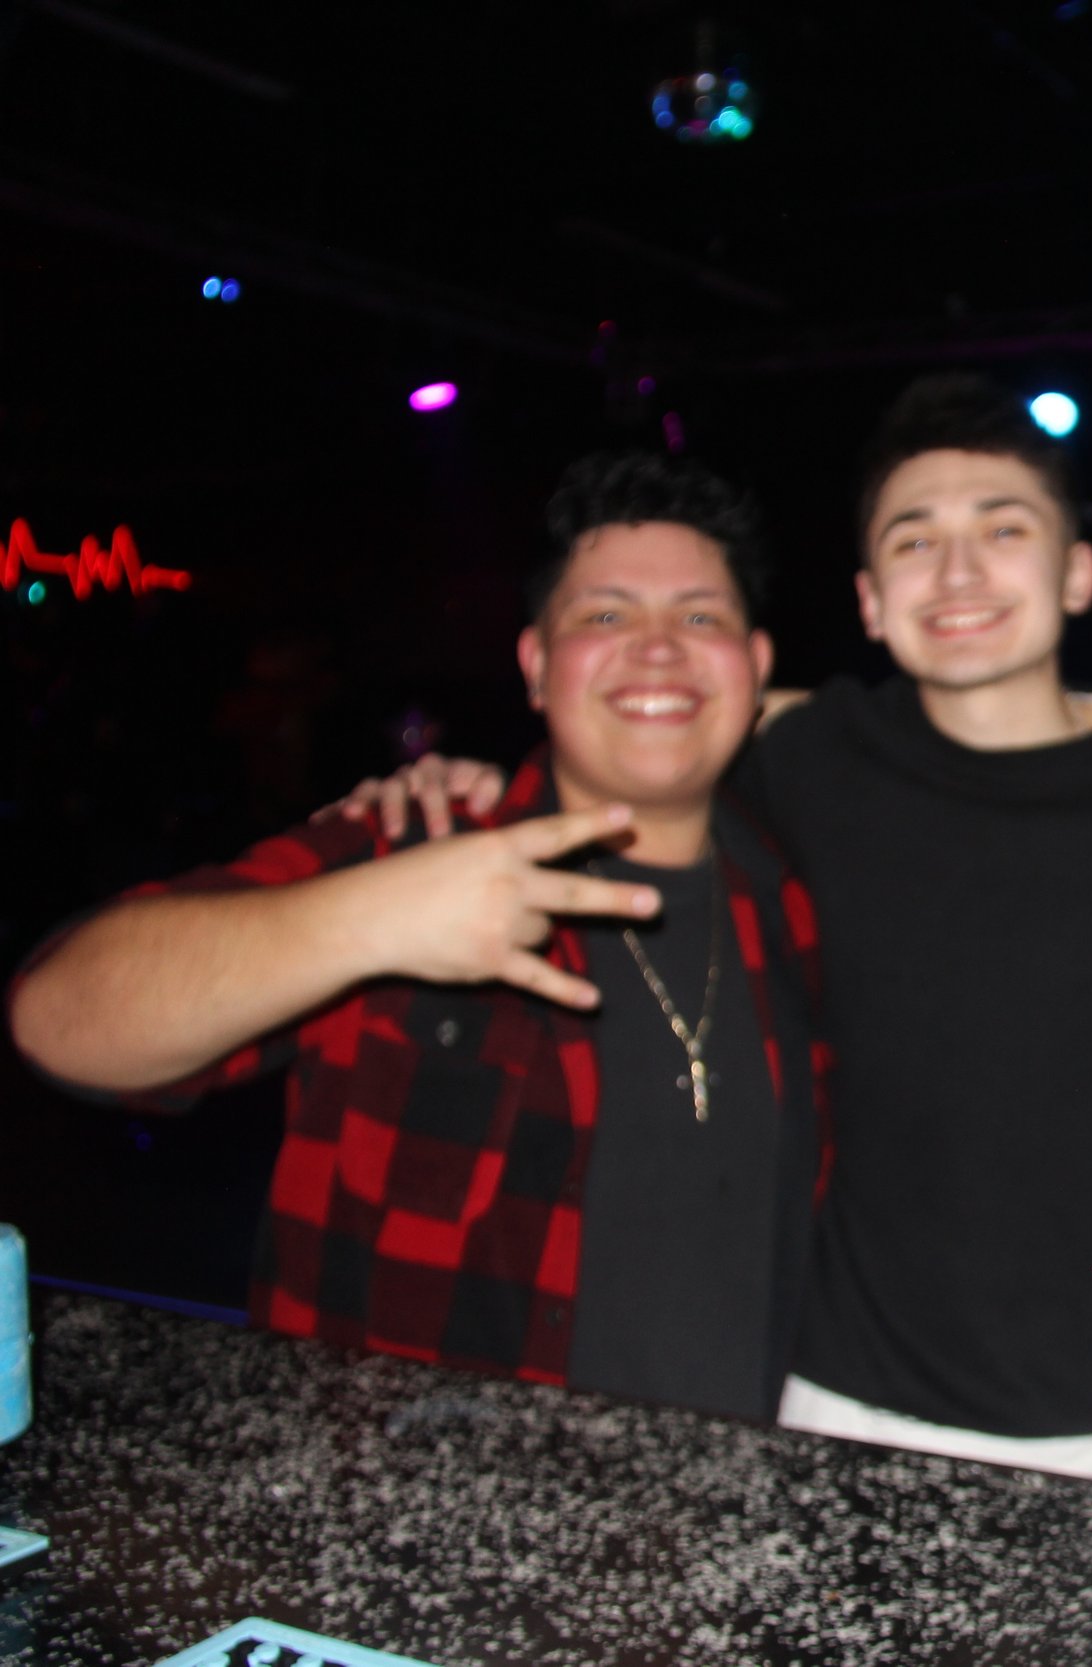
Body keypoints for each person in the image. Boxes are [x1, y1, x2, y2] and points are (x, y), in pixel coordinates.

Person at [352, 376, 1092, 1489]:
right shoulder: (809, 757)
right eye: (914, 541)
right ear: (869, 599)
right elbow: (649, 722)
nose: (958, 573)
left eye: (1003, 530)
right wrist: (467, 775)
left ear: (1078, 570)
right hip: (830, 1401)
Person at [8, 454, 829, 1419]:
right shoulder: (413, 845)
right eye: (604, 615)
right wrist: (371, 916)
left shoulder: (800, 899)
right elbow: (58, 1019)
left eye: (701, 617)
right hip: (415, 1537)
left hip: (743, 1511)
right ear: (533, 666)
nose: (657, 649)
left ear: (759, 667)